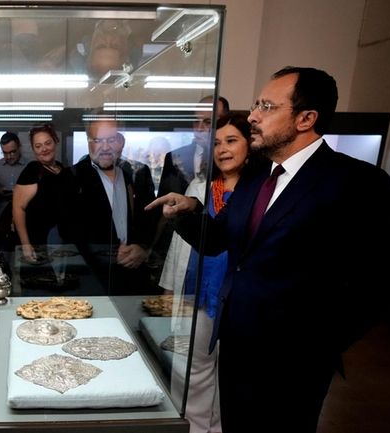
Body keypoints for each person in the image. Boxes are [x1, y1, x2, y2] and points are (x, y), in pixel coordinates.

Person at [146, 66, 390, 433]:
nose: (252, 115)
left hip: (294, 364)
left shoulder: (356, 183)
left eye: (266, 106)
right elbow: (220, 240)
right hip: (235, 346)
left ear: (306, 119)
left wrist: (319, 346)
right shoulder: (257, 178)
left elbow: (382, 284)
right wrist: (186, 213)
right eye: (256, 105)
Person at [178, 113, 258, 433]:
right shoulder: (207, 190)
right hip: (203, 291)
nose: (222, 149)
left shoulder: (260, 193)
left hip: (240, 300)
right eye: (217, 143)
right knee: (196, 368)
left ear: (250, 146)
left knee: (234, 375)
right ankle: (196, 427)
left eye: (231, 140)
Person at [71, 116, 156, 295]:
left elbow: (151, 217)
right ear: (89, 142)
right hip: (91, 277)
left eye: (111, 139)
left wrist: (143, 248)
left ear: (120, 141)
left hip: (134, 273)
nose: (105, 147)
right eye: (98, 140)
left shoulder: (138, 172)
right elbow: (69, 230)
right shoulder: (71, 177)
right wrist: (107, 254)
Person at [152, 95, 229, 283]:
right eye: (196, 121)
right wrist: (152, 248)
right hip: (176, 245)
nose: (200, 127)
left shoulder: (231, 162)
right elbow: (162, 210)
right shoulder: (175, 157)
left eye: (208, 121)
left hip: (213, 249)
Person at [12, 124, 76, 292]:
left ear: (55, 141)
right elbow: (18, 209)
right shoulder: (32, 170)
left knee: (63, 296)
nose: (44, 149)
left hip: (62, 245)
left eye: (47, 143)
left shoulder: (63, 170)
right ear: (33, 149)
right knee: (39, 294)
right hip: (38, 244)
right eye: (38, 146)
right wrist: (26, 245)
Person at [0, 132, 26, 259]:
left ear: (19, 147)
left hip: (24, 222)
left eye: (12, 152)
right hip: (0, 221)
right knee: (3, 258)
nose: (9, 156)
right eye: (5, 153)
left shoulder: (29, 167)